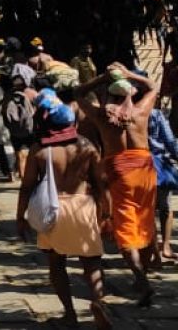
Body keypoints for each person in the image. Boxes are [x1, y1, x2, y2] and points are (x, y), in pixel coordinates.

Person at [17, 89, 111, 329]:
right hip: (83, 206)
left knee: (57, 263)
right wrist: (106, 212)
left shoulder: (40, 149)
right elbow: (101, 184)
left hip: (54, 209)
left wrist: (21, 218)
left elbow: (27, 186)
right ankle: (99, 301)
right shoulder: (86, 146)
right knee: (91, 262)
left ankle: (70, 314)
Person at [75, 65, 159, 305]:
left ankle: (140, 277)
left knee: (124, 226)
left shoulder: (104, 115)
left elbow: (78, 93)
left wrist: (103, 76)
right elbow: (152, 86)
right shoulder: (140, 111)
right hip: (144, 168)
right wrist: (128, 74)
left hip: (120, 170)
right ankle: (141, 271)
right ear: (130, 94)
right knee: (144, 218)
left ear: (109, 95)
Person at [148, 105, 178, 261]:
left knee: (148, 210)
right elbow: (170, 140)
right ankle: (165, 247)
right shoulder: (155, 114)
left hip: (138, 165)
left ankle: (154, 253)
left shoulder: (125, 112)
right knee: (166, 208)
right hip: (160, 164)